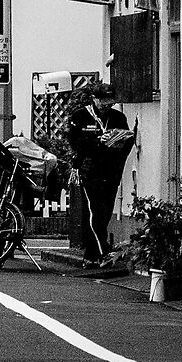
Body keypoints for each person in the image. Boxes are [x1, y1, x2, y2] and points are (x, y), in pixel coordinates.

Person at [65, 85, 134, 262]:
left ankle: (93, 254)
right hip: (89, 170)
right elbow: (75, 142)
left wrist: (119, 140)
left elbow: (127, 142)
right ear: (94, 99)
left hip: (111, 171)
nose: (106, 105)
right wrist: (98, 141)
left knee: (104, 212)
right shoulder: (79, 116)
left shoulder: (118, 117)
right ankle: (100, 251)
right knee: (94, 210)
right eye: (102, 101)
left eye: (109, 102)